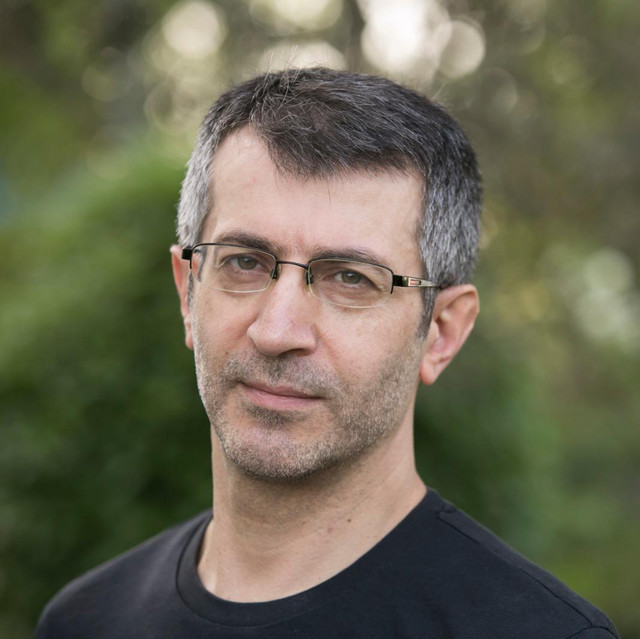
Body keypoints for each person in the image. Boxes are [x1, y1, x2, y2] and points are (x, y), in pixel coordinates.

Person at [35, 67, 619, 638]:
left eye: (351, 278)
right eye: (244, 262)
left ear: (441, 332)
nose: (277, 330)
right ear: (189, 292)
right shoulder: (86, 621)